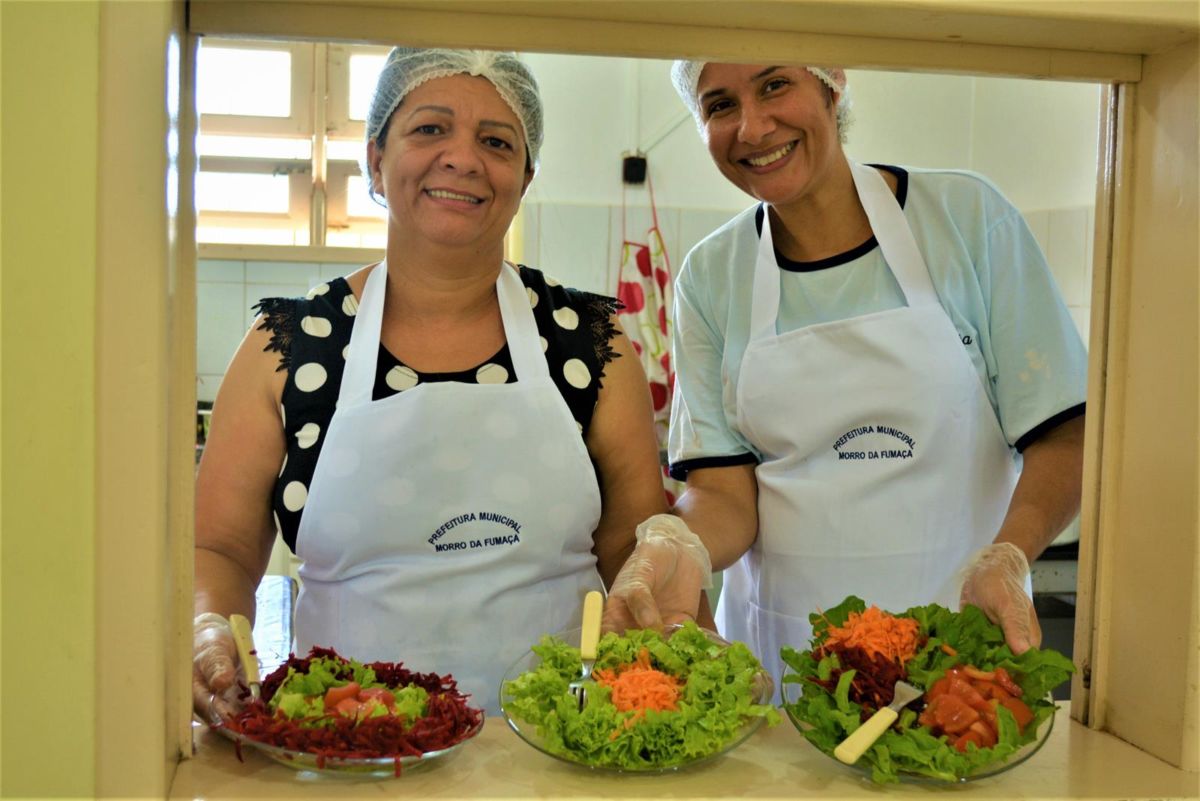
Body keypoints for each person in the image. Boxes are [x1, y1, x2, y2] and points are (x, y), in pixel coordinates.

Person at [192, 47, 674, 719]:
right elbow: (218, 549)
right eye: (429, 129)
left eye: (497, 141)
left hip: (557, 748)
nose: (463, 158)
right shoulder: (288, 346)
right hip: (349, 748)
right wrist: (205, 626)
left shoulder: (590, 343)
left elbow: (634, 549)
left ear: (525, 176)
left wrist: (671, 617)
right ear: (375, 162)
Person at [603, 60, 1087, 689]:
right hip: (779, 658)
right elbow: (724, 493)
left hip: (957, 655)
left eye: (775, 85)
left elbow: (1068, 435)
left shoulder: (964, 219)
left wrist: (1011, 556)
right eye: (719, 104)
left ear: (831, 84)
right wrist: (678, 542)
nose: (752, 127)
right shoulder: (712, 274)